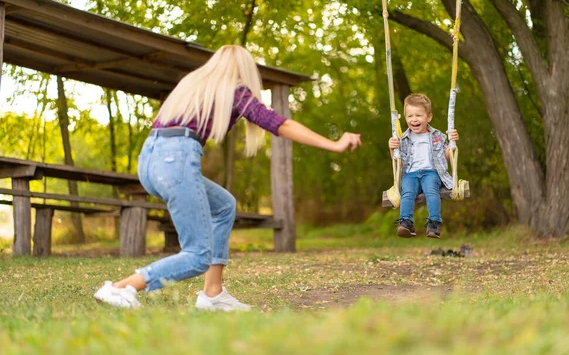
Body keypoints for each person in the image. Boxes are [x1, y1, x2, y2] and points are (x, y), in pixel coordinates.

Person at [93, 45, 362, 310]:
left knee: (223, 205)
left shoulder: (192, 85)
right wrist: (334, 144)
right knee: (198, 255)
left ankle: (213, 293)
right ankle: (121, 288)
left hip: (150, 159)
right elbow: (280, 125)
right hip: (176, 158)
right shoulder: (234, 90)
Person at [387, 93, 458, 239]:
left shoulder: (437, 135)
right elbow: (397, 160)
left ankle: (434, 224)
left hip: (430, 172)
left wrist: (452, 143)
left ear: (428, 117)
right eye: (410, 116)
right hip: (410, 174)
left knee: (432, 191)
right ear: (405, 118)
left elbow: (446, 157)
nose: (414, 119)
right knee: (407, 193)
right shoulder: (402, 139)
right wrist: (392, 148)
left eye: (418, 115)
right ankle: (406, 223)